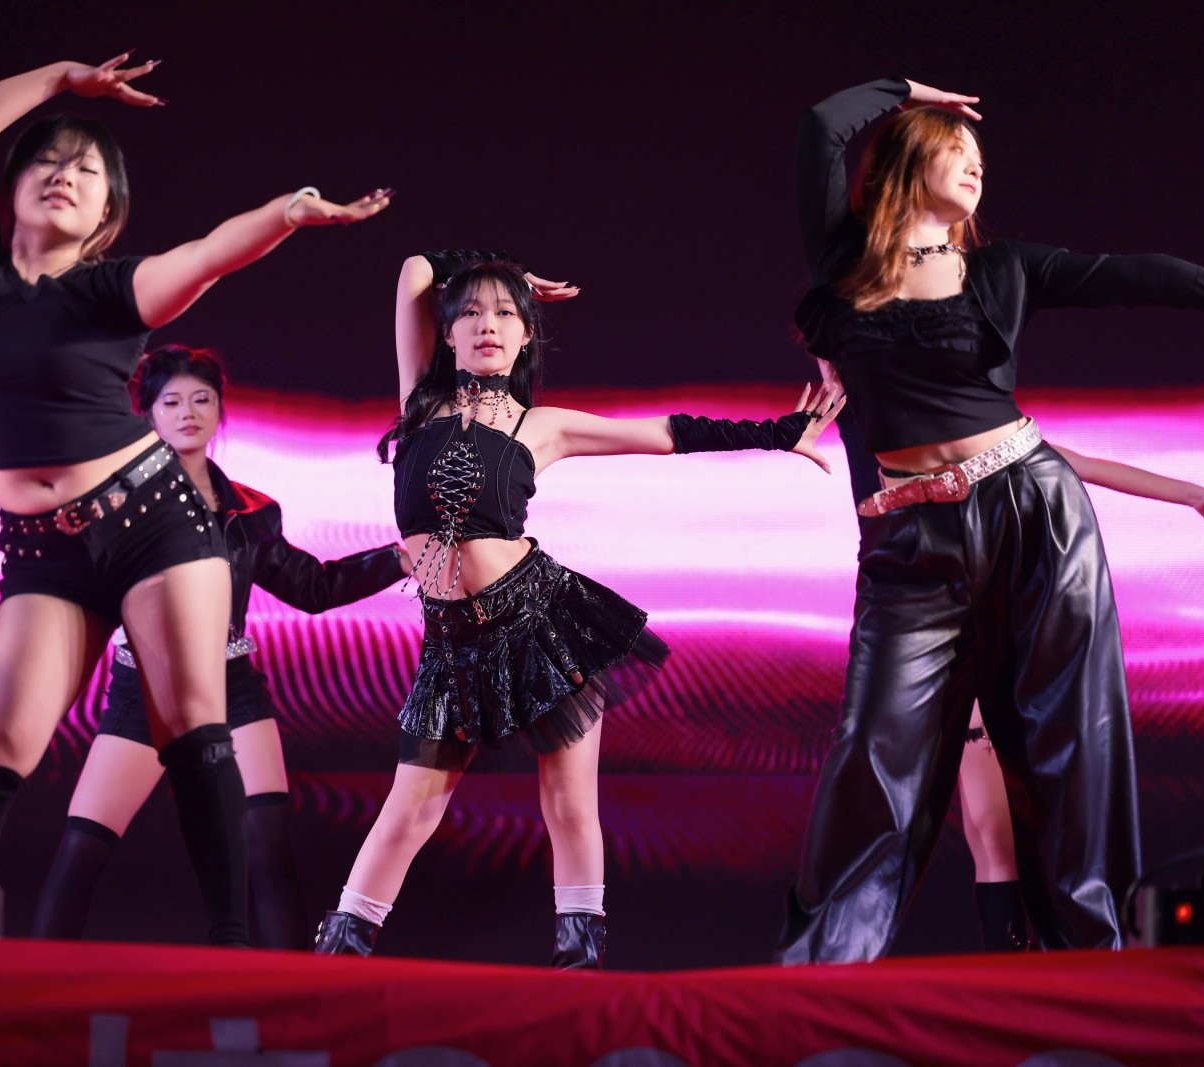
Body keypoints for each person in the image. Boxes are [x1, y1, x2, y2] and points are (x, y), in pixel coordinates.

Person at [0, 53, 389, 946]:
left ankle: (230, 955)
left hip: (153, 523)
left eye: (88, 170)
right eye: (47, 160)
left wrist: (288, 214)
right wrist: (63, 80)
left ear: (107, 215)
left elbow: (206, 256)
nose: (64, 174)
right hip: (41, 548)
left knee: (191, 730)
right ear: (10, 184)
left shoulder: (110, 287)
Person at [778, 76, 1204, 963]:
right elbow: (822, 127)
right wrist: (903, 92)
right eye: (957, 151)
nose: (977, 168)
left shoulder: (1003, 267)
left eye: (981, 159)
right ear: (908, 161)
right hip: (910, 544)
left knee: (1067, 747)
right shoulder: (844, 263)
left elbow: (1130, 275)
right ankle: (822, 972)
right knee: (874, 751)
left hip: (1033, 515)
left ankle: (1087, 966)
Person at [314, 251, 843, 967]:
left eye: (506, 313)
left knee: (567, 804)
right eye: (471, 312)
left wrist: (776, 434)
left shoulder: (543, 426)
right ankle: (343, 947)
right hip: (451, 640)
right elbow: (413, 269)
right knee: (411, 810)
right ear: (448, 333)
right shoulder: (419, 406)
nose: (488, 325)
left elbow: (666, 433)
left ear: (527, 335)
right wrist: (502, 271)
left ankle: (580, 957)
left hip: (542, 623)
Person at [33, 344, 410, 948]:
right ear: (148, 414)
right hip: (145, 692)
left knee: (267, 846)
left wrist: (397, 558)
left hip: (232, 688)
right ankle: (33, 986)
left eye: (201, 399)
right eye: (172, 402)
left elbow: (312, 588)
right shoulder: (113, 504)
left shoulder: (250, 513)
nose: (188, 412)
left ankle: (295, 994)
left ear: (218, 410)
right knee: (83, 847)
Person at [954, 448, 1204, 952]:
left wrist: (1194, 496)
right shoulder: (904, 444)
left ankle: (1036, 972)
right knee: (986, 834)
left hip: (1011, 644)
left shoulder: (990, 441)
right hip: (945, 642)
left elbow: (1084, 465)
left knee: (1005, 836)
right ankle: (1013, 971)